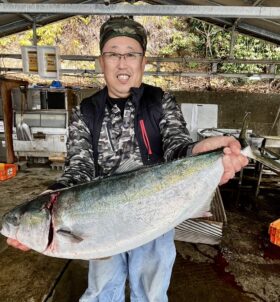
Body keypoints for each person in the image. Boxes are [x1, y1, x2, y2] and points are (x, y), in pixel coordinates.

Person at [7, 16, 248, 302]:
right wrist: (53, 195)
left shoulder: (160, 102)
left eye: (131, 54)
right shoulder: (86, 111)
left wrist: (200, 154)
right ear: (101, 61)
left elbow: (177, 148)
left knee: (150, 293)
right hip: (98, 219)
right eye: (113, 54)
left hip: (156, 213)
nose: (122, 63)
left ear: (143, 61)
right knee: (103, 292)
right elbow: (79, 169)